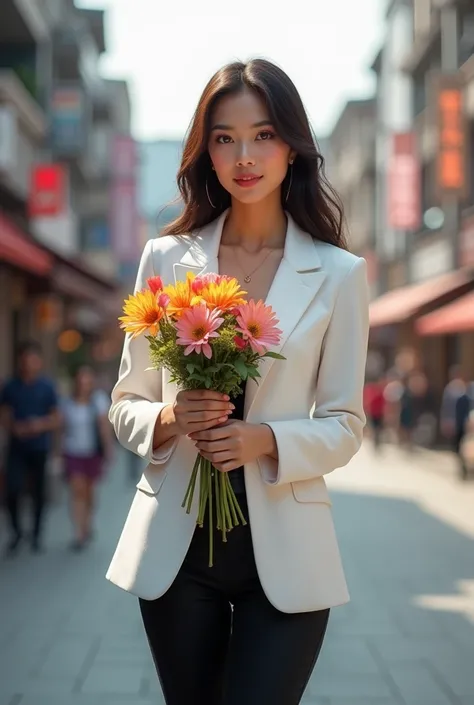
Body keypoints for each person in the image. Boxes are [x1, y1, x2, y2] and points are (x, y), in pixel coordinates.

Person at [106, 59, 369, 705]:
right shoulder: (165, 259)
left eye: (263, 134)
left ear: (291, 147)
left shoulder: (339, 273)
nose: (244, 155)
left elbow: (345, 424)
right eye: (224, 137)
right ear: (207, 151)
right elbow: (125, 406)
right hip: (177, 552)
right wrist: (171, 418)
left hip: (287, 550)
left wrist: (264, 440)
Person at [0, 341, 59, 555]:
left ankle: (36, 534)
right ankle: (16, 532)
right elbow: (4, 414)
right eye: (25, 360)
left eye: (32, 359)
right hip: (16, 447)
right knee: (12, 491)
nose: (28, 364)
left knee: (38, 493)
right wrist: (14, 427)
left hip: (39, 447)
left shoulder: (47, 387)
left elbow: (56, 418)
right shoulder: (11, 387)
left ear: (39, 362)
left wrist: (38, 425)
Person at [60, 365, 113, 551]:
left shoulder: (98, 400)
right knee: (77, 491)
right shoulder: (67, 402)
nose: (84, 383)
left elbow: (104, 427)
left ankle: (88, 523)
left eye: (87, 379)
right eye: (81, 379)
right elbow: (61, 428)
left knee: (89, 492)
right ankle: (78, 532)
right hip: (73, 452)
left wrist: (108, 450)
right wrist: (56, 453)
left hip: (93, 453)